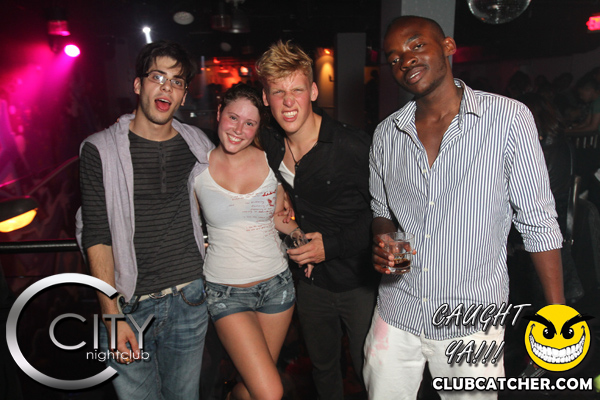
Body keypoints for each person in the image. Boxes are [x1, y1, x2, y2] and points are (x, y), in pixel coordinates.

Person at [364, 16, 564, 399]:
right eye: (394, 57)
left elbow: (538, 222)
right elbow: (381, 209)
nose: (405, 60)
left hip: (471, 321)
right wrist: (385, 239)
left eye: (417, 45)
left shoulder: (508, 119)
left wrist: (557, 312)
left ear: (448, 47)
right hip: (397, 309)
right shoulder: (387, 134)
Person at [76, 40, 213, 399]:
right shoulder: (99, 149)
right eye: (157, 77)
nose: (166, 87)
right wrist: (111, 315)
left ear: (183, 96)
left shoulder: (197, 145)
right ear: (138, 85)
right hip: (128, 306)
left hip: (189, 298)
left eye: (177, 81)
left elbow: (231, 191)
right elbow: (96, 235)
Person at [255, 40, 377, 400]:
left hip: (358, 283)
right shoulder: (270, 145)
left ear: (312, 91)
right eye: (278, 92)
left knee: (370, 370)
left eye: (296, 90)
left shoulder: (351, 145)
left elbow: (385, 213)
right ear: (266, 98)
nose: (288, 102)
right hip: (311, 284)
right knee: (323, 370)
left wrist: (331, 246)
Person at [194, 83, 299, 400]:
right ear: (219, 113)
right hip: (226, 292)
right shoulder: (197, 168)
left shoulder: (271, 161)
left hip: (277, 287)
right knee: (269, 392)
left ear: (258, 128)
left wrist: (299, 236)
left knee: (255, 389)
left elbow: (278, 216)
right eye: (233, 117)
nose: (239, 130)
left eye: (249, 123)